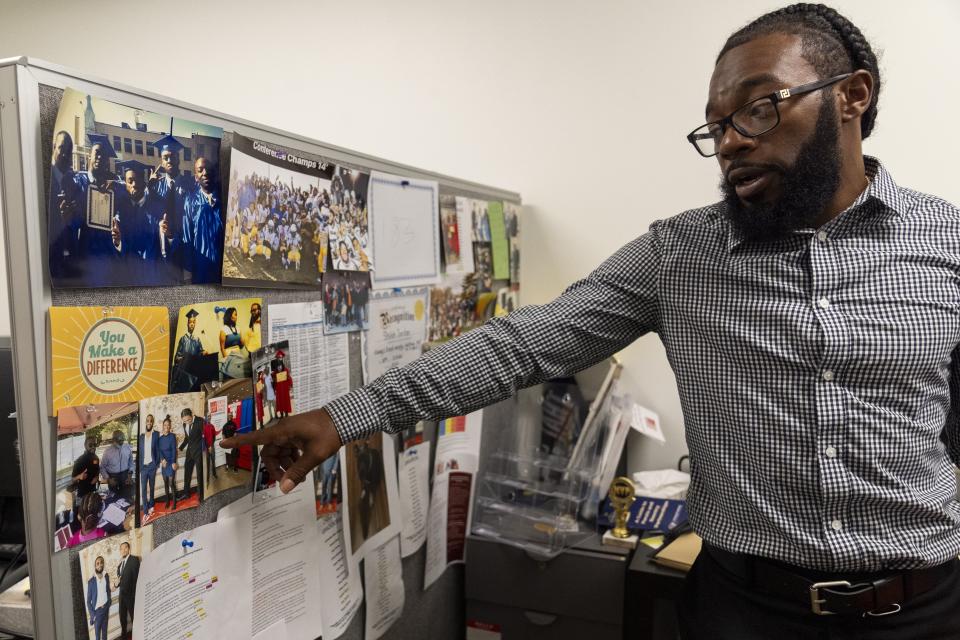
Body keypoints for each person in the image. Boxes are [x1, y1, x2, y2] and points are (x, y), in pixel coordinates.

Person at [223, 4, 960, 638]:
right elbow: (523, 345)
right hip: (744, 611)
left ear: (851, 97)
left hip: (929, 609)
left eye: (760, 107)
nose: (732, 140)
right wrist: (346, 415)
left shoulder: (946, 242)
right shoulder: (681, 254)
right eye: (716, 126)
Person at [182, 157, 223, 283]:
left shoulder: (224, 200)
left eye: (208, 169)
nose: (205, 172)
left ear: (214, 174)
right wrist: (188, 272)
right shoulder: (190, 201)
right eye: (200, 170)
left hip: (220, 268)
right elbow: (187, 238)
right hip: (200, 267)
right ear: (196, 177)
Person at [171, 309, 207, 392]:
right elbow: (176, 358)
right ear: (187, 324)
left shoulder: (197, 339)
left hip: (194, 368)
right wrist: (184, 358)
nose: (192, 324)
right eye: (190, 322)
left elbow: (200, 353)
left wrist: (203, 353)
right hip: (185, 370)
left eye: (194, 322)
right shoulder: (183, 339)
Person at [354, 441, 382, 540]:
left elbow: (373, 478)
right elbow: (362, 474)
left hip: (371, 478)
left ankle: (369, 496)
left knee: (370, 488)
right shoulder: (361, 462)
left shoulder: (367, 459)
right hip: (367, 478)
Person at [115, 541, 140, 640]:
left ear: (129, 548)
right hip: (122, 596)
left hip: (131, 596)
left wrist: (135, 596)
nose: (123, 550)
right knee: (122, 617)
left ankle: (138, 635)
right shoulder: (120, 563)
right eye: (121, 548)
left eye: (125, 547)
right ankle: (124, 636)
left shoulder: (134, 559)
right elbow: (119, 578)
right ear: (120, 551)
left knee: (134, 617)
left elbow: (136, 578)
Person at [179, 408, 205, 503]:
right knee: (187, 473)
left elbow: (205, 436)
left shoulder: (200, 421)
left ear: (192, 415)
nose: (187, 422)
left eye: (188, 420)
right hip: (189, 453)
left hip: (198, 452)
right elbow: (187, 438)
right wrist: (180, 448)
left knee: (199, 474)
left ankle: (201, 495)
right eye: (185, 420)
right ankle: (186, 493)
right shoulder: (184, 424)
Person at [100, 429, 133, 503]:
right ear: (113, 440)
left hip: (125, 475)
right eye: (119, 441)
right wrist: (108, 479)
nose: (121, 443)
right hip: (112, 477)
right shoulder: (107, 452)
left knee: (127, 498)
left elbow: (131, 462)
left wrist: (130, 474)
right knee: (114, 499)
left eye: (122, 440)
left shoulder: (127, 447)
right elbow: (102, 467)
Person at [70, 435, 100, 512]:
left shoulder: (96, 458)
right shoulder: (80, 461)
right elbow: (72, 479)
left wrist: (97, 477)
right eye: (90, 445)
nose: (93, 447)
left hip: (92, 491)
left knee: (91, 512)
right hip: (82, 493)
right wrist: (79, 476)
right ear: (85, 446)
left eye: (95, 444)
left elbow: (97, 470)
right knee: (80, 513)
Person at [138, 414, 160, 518]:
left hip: (152, 466)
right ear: (145, 422)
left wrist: (156, 464)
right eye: (148, 420)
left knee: (151, 487)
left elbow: (158, 450)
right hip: (143, 467)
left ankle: (151, 505)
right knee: (143, 490)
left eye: (151, 421)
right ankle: (146, 511)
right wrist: (139, 467)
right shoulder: (141, 437)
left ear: (153, 422)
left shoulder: (156, 435)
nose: (149, 422)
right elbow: (139, 453)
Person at [86, 555, 111, 640]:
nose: (100, 565)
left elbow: (108, 590)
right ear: (95, 566)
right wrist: (93, 615)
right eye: (98, 563)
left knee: (104, 634)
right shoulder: (91, 582)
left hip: (105, 608)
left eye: (101, 563)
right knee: (97, 637)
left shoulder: (106, 576)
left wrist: (109, 602)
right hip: (97, 612)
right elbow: (88, 601)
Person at [157, 416, 178, 511]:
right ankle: (167, 501)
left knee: (171, 483)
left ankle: (174, 502)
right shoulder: (160, 439)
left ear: (170, 427)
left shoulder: (172, 436)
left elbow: (174, 450)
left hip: (171, 462)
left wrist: (173, 462)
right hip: (164, 463)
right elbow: (159, 451)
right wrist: (162, 460)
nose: (166, 427)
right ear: (163, 426)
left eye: (168, 425)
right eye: (165, 425)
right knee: (165, 482)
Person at [271, 351, 293, 418]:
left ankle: (286, 414)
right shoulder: (274, 373)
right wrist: (274, 380)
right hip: (279, 390)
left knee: (285, 401)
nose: (279, 368)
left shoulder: (286, 370)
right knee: (280, 402)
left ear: (282, 365)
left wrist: (290, 385)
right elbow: (273, 381)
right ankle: (281, 414)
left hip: (285, 389)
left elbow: (289, 378)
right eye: (278, 367)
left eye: (280, 366)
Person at [203, 418, 220, 485]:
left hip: (212, 447)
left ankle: (214, 474)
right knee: (207, 463)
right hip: (207, 448)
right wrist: (208, 447)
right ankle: (207, 477)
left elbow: (214, 436)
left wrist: (211, 445)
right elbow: (203, 439)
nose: (208, 419)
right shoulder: (203, 428)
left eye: (209, 417)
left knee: (213, 461)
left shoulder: (212, 426)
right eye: (207, 417)